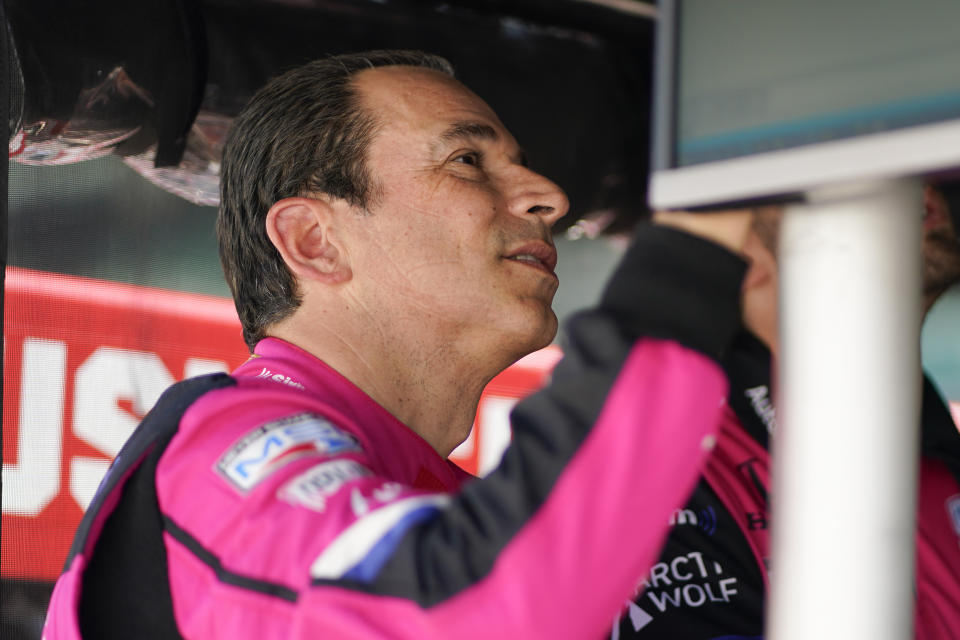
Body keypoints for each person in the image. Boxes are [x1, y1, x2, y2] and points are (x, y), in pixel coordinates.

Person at [42, 50, 757, 639]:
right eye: (468, 161)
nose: (549, 195)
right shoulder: (218, 446)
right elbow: (475, 607)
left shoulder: (456, 512)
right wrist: (687, 264)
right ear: (314, 242)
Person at [611, 187, 960, 639]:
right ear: (742, 259)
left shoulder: (934, 458)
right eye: (825, 172)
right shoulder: (672, 471)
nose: (896, 174)